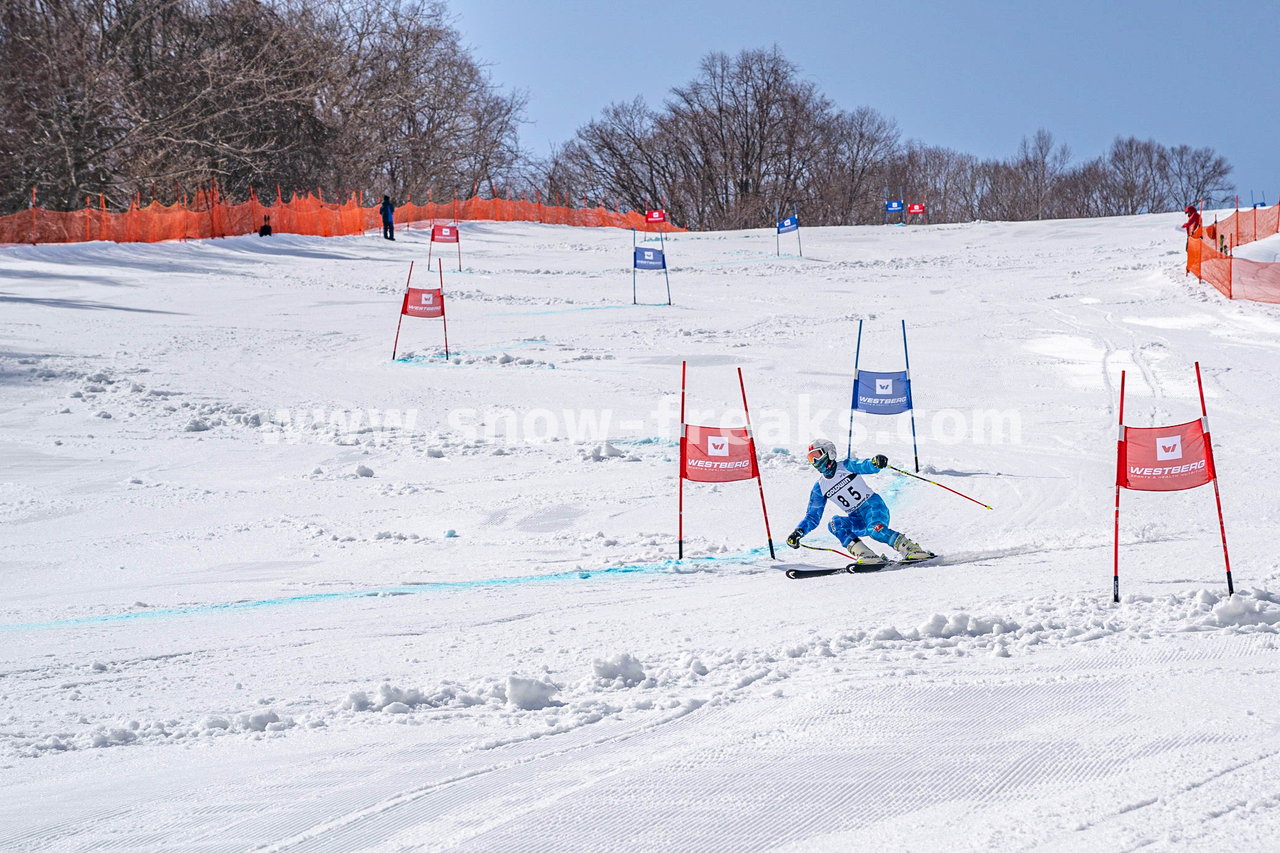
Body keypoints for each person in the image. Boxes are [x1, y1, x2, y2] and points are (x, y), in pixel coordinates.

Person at [784, 438, 934, 566]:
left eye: (817, 455)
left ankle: (912, 549)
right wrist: (798, 532)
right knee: (834, 524)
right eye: (811, 459)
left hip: (873, 507)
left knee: (874, 529)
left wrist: (875, 463)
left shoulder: (846, 466)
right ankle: (866, 555)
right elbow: (812, 516)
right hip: (856, 518)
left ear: (829, 453)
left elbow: (865, 465)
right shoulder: (820, 487)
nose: (815, 461)